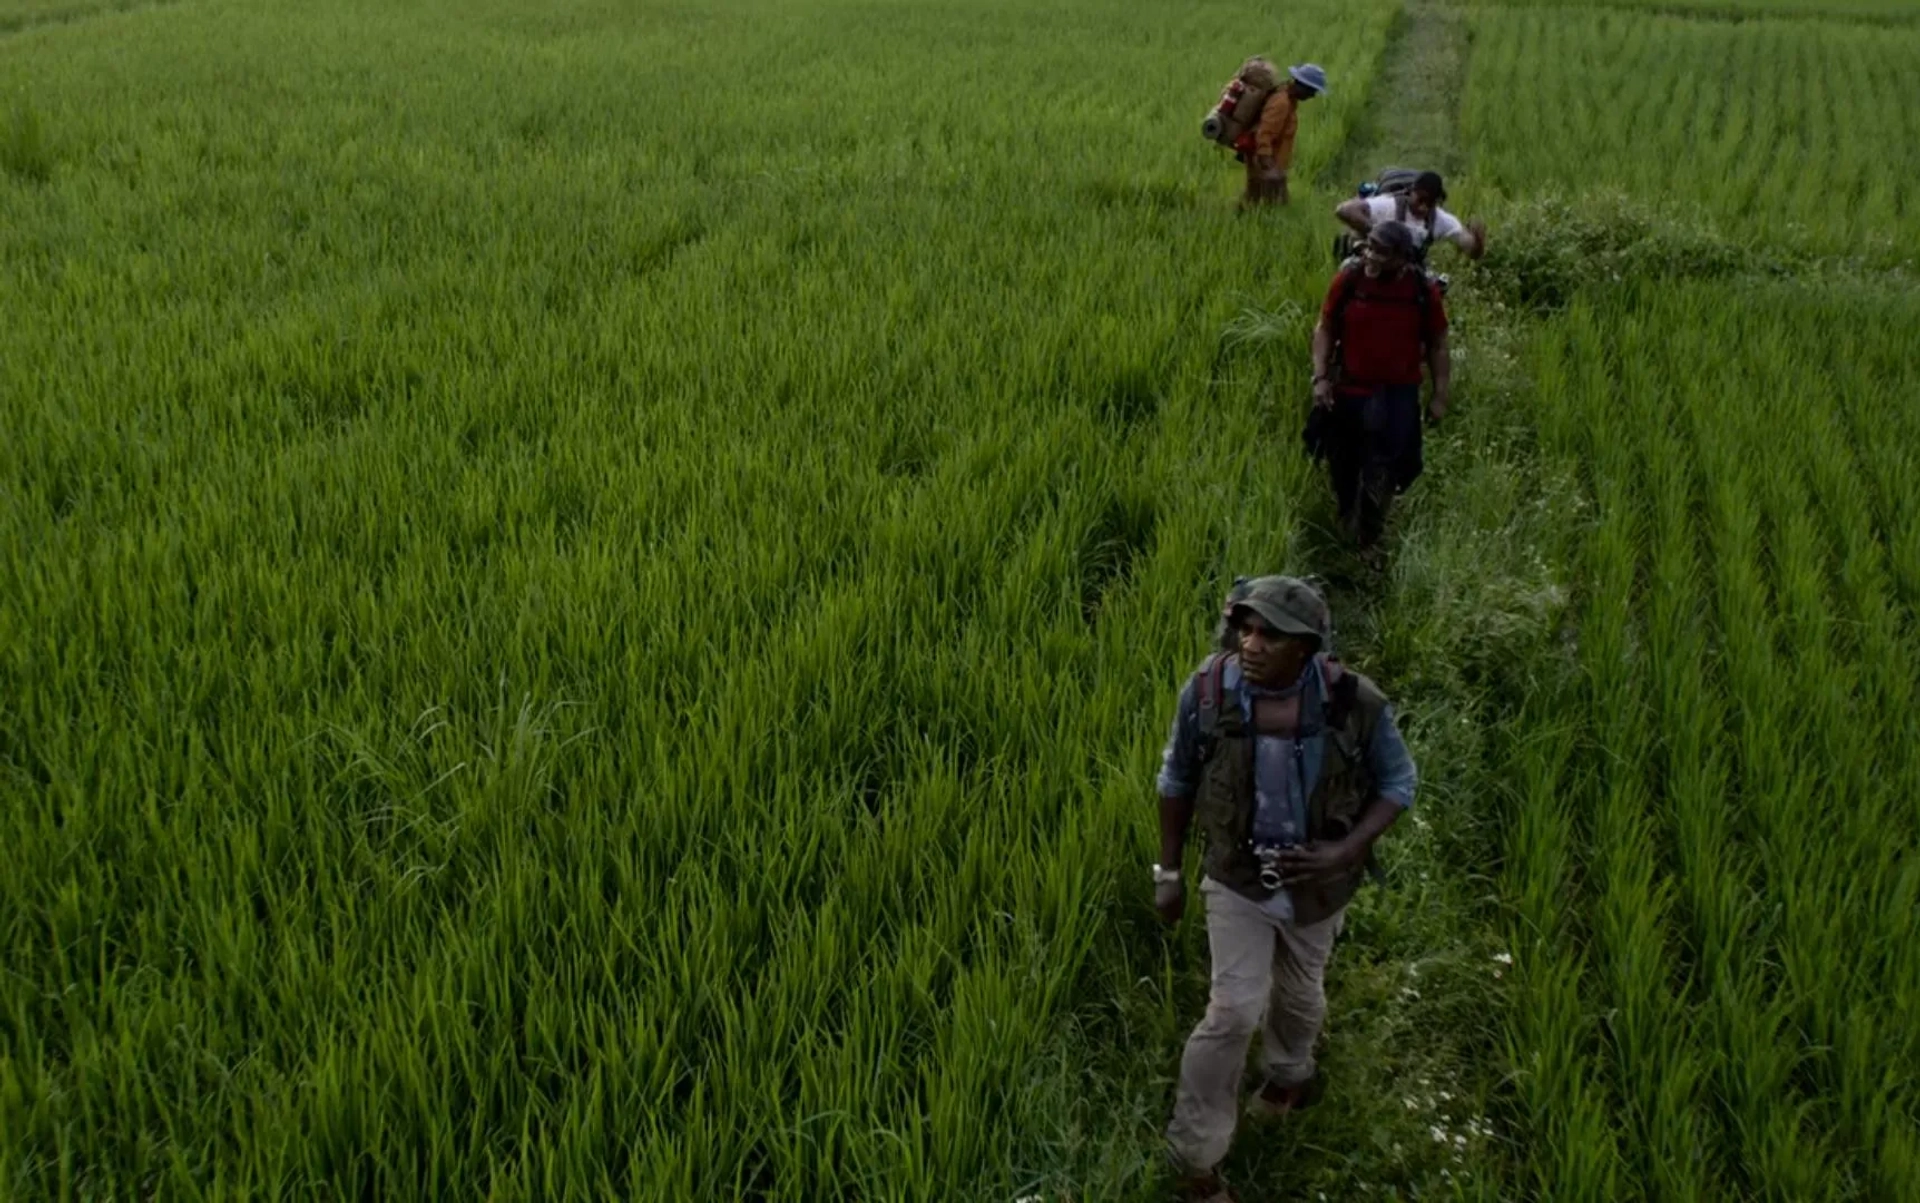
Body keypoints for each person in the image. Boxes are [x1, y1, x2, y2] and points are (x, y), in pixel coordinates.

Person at [1154, 576, 1417, 1203]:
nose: (1253, 642)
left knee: (1300, 997)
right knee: (1233, 1009)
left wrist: (1344, 850)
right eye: (1247, 628)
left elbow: (1398, 782)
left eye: (1270, 633)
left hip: (1320, 889)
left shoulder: (1354, 702)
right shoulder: (1212, 692)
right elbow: (1176, 778)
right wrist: (1168, 874)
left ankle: (1287, 1079)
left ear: (1306, 646)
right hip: (1237, 881)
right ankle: (1195, 1161)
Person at [1308, 221, 1451, 547]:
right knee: (1343, 465)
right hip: (1349, 389)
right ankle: (1347, 517)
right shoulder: (1350, 279)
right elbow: (1326, 327)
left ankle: (1369, 536)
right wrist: (1320, 377)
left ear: (1402, 259)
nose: (1370, 257)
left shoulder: (1420, 291)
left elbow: (1438, 344)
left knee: (1385, 469)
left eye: (1380, 253)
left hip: (1397, 395)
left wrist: (1440, 395)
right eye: (1369, 247)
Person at [1334, 170, 1486, 262]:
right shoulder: (1389, 205)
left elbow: (1470, 248)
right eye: (1421, 199)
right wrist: (1376, 233)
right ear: (1411, 192)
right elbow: (1343, 210)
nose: (1424, 207)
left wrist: (1477, 243)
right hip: (1375, 262)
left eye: (1430, 203)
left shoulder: (1441, 220)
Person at [1238, 63, 1327, 209]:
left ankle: (1245, 217)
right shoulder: (1281, 103)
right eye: (1312, 90)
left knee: (1265, 203)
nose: (1313, 95)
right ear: (1302, 86)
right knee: (1262, 204)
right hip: (1265, 162)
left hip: (1273, 164)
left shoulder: (1289, 100)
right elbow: (1264, 134)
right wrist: (1268, 167)